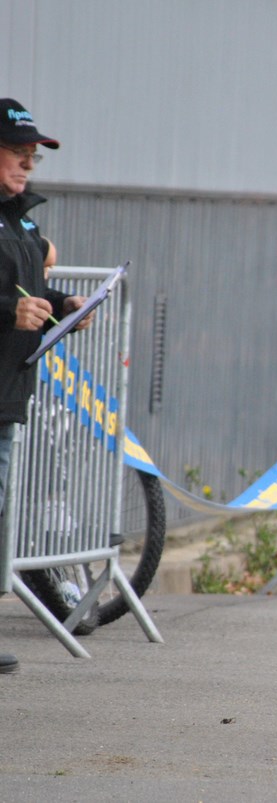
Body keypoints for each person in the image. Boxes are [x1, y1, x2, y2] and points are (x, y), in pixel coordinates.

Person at [1, 98, 92, 676]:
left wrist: (65, 306)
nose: (28, 163)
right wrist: (8, 313)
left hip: (9, 391)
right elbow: (9, 301)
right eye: (17, 152)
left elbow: (26, 288)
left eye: (34, 155)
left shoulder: (20, 218)